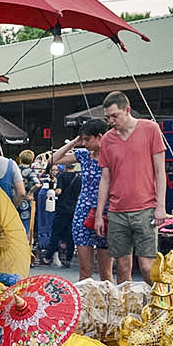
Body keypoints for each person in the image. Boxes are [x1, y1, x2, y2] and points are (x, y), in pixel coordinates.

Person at [95, 91, 166, 284]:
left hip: (146, 207)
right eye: (108, 117)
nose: (111, 121)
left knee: (147, 266)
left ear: (127, 110)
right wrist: (99, 214)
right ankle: (126, 302)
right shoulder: (107, 139)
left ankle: (159, 300)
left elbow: (160, 171)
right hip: (117, 211)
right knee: (122, 268)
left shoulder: (150, 129)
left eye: (114, 116)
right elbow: (105, 179)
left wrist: (161, 206)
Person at [52, 119, 114, 282]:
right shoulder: (84, 156)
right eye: (83, 140)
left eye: (87, 139)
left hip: (107, 214)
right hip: (83, 214)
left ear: (99, 136)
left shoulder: (113, 156)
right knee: (85, 270)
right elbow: (53, 160)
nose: (84, 143)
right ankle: (84, 298)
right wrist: (74, 142)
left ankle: (107, 298)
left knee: (106, 272)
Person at [47, 162, 81, 268]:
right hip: (74, 208)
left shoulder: (62, 176)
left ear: (65, 166)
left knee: (56, 232)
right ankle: (68, 258)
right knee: (70, 234)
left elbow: (59, 191)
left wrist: (52, 190)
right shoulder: (79, 177)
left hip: (62, 207)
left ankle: (49, 256)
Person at [17, 149, 42, 234]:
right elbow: (37, 184)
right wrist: (30, 193)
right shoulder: (31, 172)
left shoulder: (15, 169)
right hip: (26, 202)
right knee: (26, 224)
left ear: (20, 158)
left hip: (14, 199)